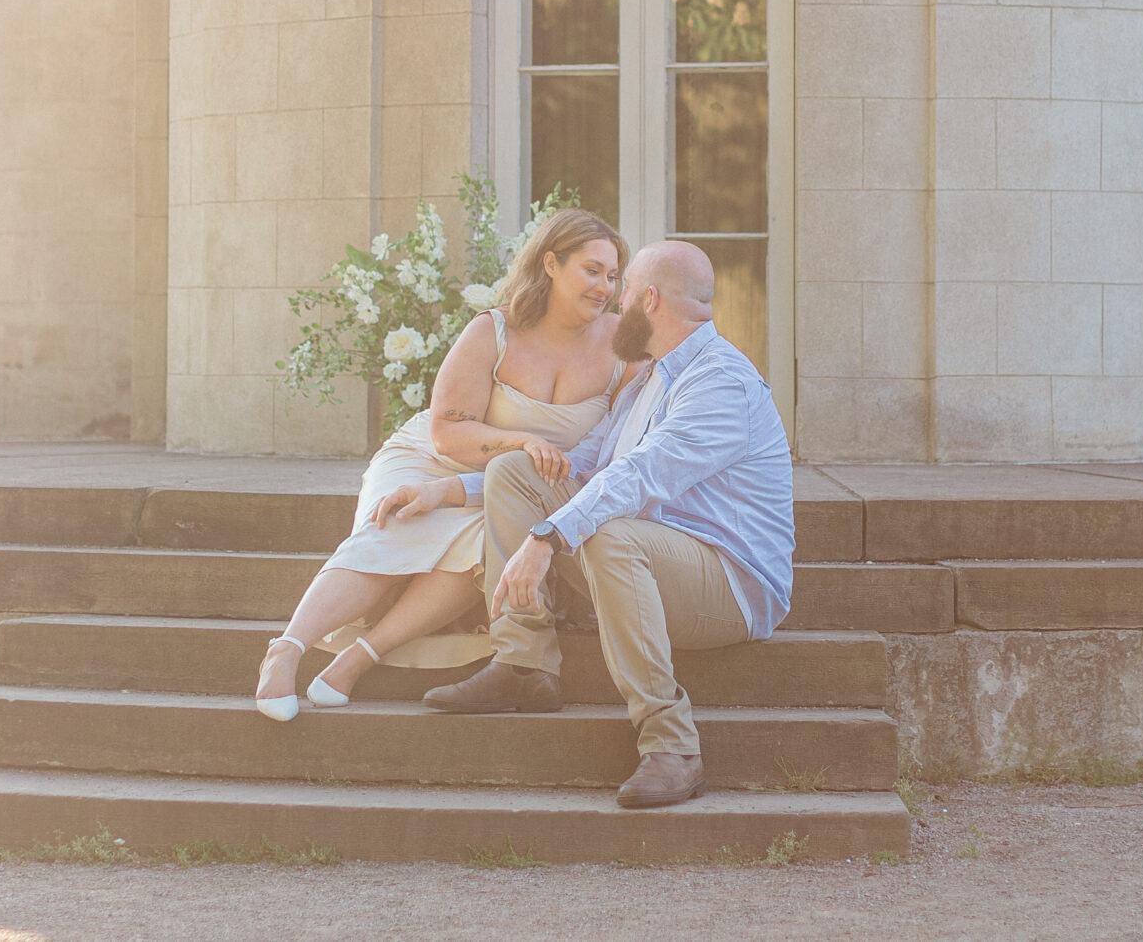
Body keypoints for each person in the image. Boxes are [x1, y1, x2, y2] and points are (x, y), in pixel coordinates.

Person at [419, 240, 794, 810]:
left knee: (611, 536)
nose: (614, 306)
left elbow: (644, 474)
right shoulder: (648, 379)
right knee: (516, 471)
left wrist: (548, 537)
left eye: (623, 292)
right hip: (649, 555)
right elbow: (587, 465)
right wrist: (450, 490)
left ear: (648, 299)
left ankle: (672, 745)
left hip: (731, 583)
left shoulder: (719, 382)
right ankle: (524, 665)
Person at [250, 208, 630, 720]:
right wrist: (518, 441)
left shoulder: (625, 347)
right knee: (403, 518)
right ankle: (288, 648)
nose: (604, 286)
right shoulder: (493, 330)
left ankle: (360, 658)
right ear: (551, 264)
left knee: (485, 540)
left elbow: (610, 452)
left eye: (612, 275)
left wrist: (512, 465)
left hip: (517, 486)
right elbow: (448, 432)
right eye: (592, 270)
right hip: (432, 459)